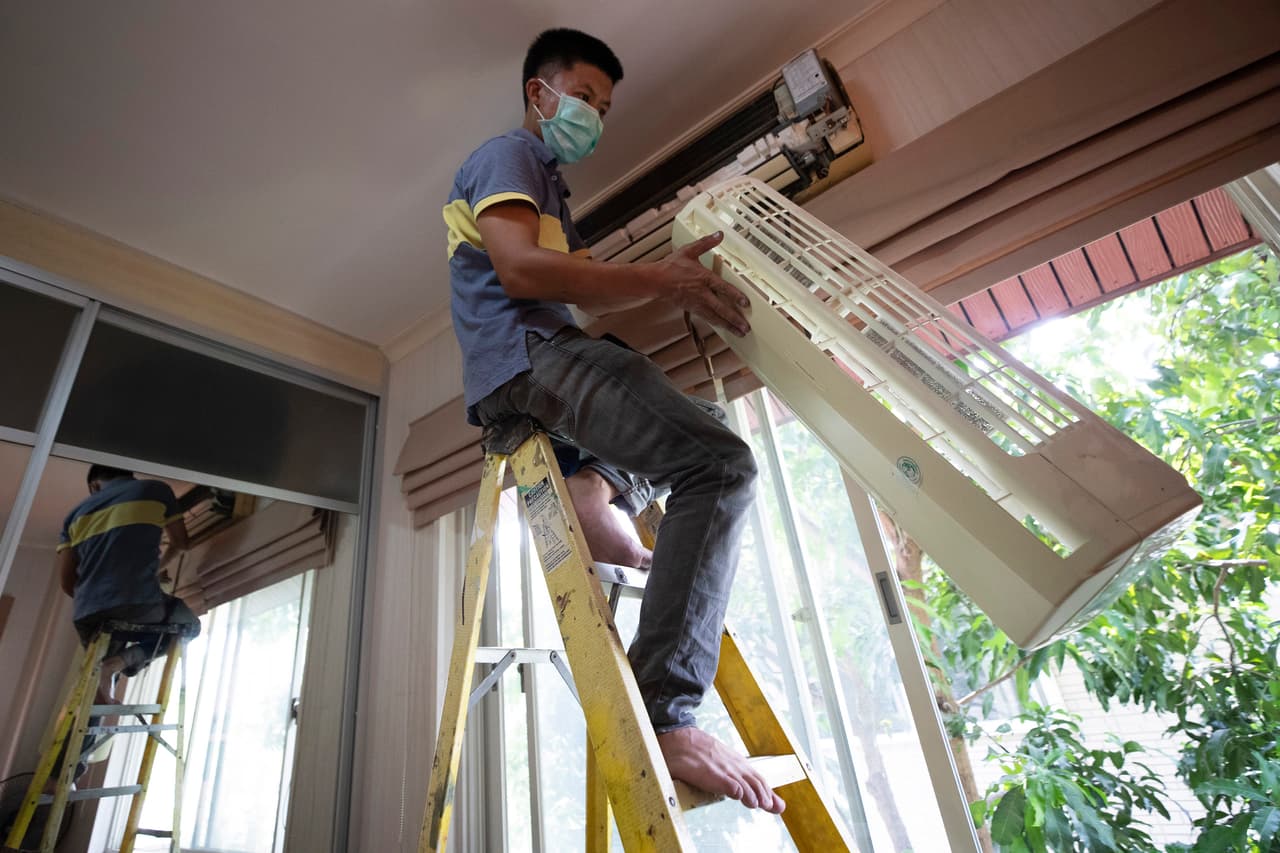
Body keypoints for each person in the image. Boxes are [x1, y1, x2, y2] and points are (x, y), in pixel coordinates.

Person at [445, 28, 783, 814]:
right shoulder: (511, 154)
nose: (595, 115)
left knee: (690, 413)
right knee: (721, 466)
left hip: (530, 367)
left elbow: (586, 289)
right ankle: (667, 710)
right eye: (584, 96)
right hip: (529, 357)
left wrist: (671, 287)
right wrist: (661, 281)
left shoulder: (551, 194)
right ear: (540, 93)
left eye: (603, 106)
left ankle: (591, 486)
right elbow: (521, 271)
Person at [56, 465, 200, 707]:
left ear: (94, 486)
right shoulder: (155, 490)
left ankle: (107, 679)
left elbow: (67, 583)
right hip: (138, 602)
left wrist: (95, 598)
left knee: (98, 685)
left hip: (87, 613)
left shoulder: (73, 516)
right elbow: (182, 543)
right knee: (188, 626)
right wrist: (152, 572)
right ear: (127, 473)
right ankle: (117, 664)